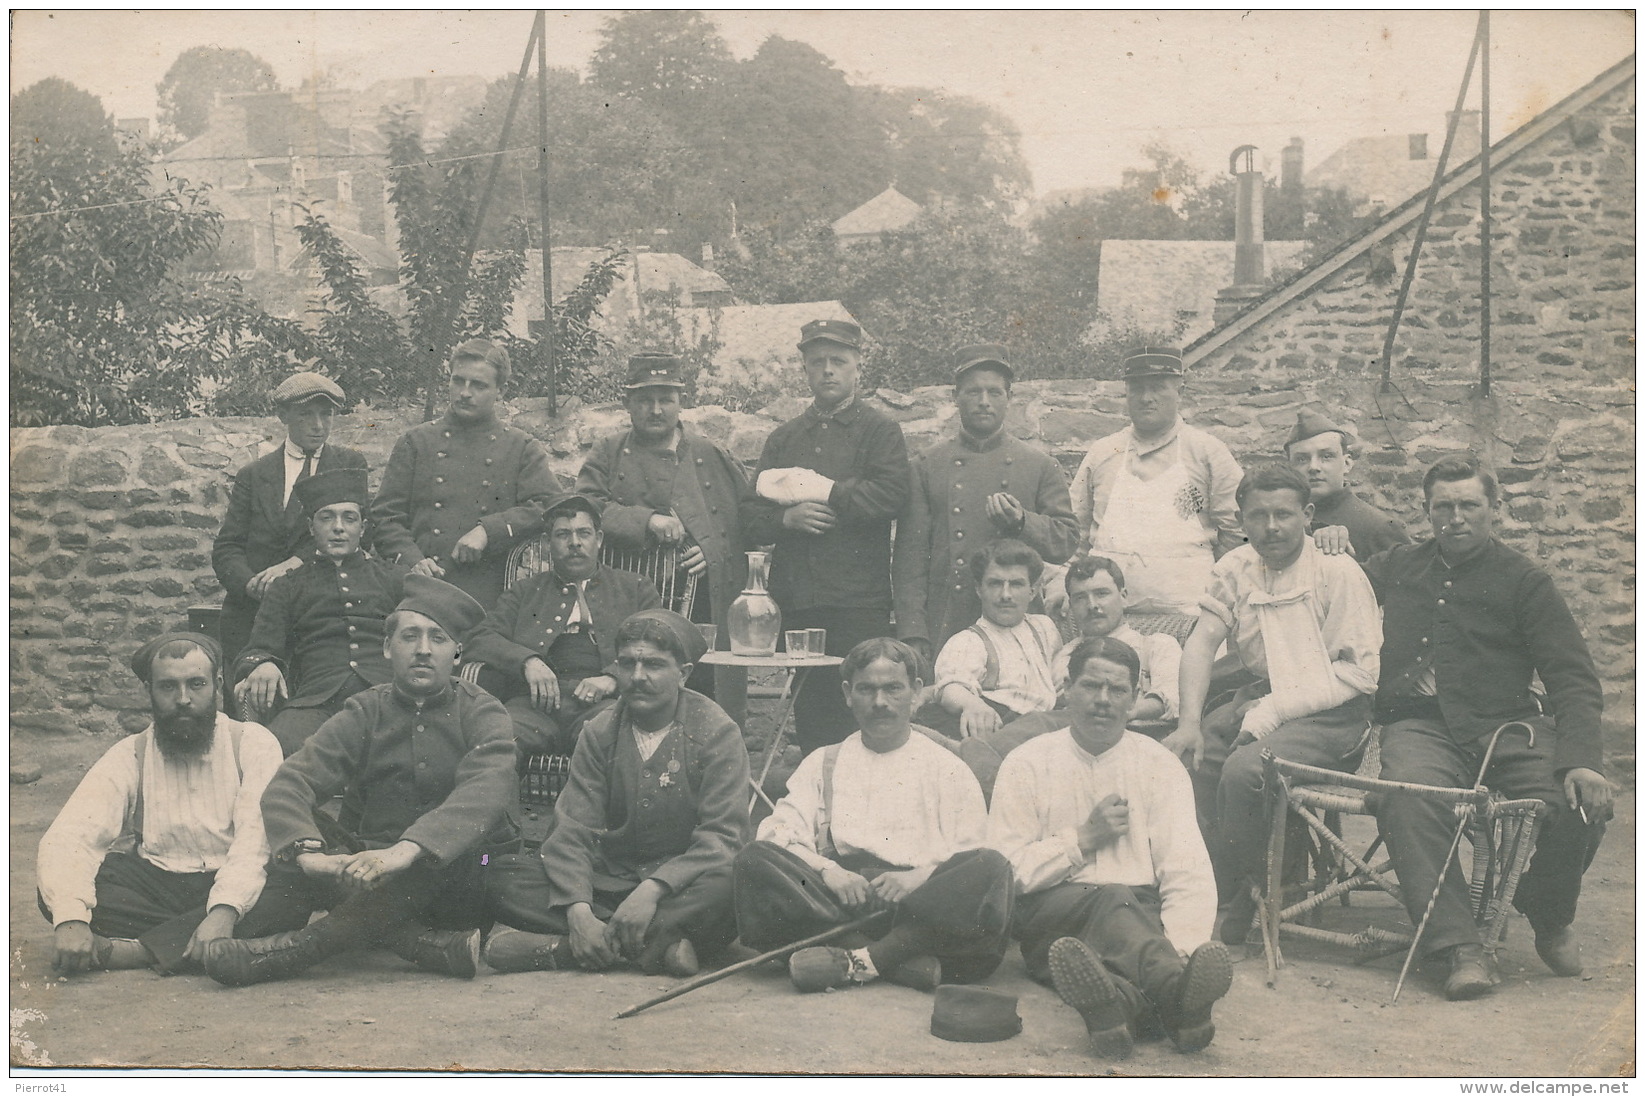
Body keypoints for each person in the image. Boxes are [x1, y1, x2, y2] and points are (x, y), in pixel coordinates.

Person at [1363, 454, 1611, 1000]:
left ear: (1493, 508)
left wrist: (1582, 758)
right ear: (1427, 512)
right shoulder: (1400, 565)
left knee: (1583, 801)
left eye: (1469, 505)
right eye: (1442, 507)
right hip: (1421, 725)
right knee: (1406, 796)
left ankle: (1547, 910)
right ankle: (1458, 946)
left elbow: (1572, 676)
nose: (1455, 517)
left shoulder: (1526, 580)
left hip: (1509, 725)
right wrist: (1330, 535)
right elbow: (1326, 578)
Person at [204, 575, 519, 986]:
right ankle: (426, 946)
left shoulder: (483, 712)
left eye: (438, 639)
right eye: (410, 636)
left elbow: (486, 790)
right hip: (373, 876)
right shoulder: (365, 710)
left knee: (457, 851)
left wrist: (405, 852)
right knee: (303, 837)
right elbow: (291, 782)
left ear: (457, 653)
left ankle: (296, 951)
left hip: (460, 881)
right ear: (387, 648)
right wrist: (310, 856)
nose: (423, 650)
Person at [1163, 463, 1381, 942]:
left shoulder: (1336, 570)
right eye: (1258, 516)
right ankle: (1220, 877)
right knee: (1187, 756)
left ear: (1307, 516)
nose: (1272, 527)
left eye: (1283, 515)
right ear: (1241, 520)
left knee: (1245, 771)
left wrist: (1273, 712)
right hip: (1263, 694)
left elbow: (1361, 674)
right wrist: (1189, 722)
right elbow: (1201, 644)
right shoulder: (1235, 568)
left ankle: (1261, 888)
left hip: (1334, 711)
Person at [988, 636, 1230, 1060]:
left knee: (1116, 931)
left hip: (1131, 922)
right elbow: (1003, 874)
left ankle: (1117, 1010)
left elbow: (1186, 869)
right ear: (1067, 689)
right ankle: (1178, 997)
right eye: (1090, 686)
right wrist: (1080, 841)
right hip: (1052, 915)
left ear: (1135, 699)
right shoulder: (1027, 762)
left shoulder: (1159, 765)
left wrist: (1182, 946)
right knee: (1113, 896)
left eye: (1117, 690)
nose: (1103, 700)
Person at [733, 638, 1015, 994]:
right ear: (848, 694)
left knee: (992, 866)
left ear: (914, 692)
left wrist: (918, 878)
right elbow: (778, 833)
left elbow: (973, 855)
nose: (880, 703)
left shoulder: (947, 768)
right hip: (841, 898)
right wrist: (829, 871)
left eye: (893, 689)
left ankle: (860, 959)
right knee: (754, 859)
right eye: (866, 690)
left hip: (921, 904)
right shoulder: (825, 761)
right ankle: (895, 960)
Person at [483, 609, 749, 977]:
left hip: (681, 885)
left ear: (684, 674)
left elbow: (722, 837)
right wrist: (578, 910)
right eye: (627, 664)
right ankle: (659, 946)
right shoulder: (600, 730)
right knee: (501, 874)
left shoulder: (717, 732)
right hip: (606, 881)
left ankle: (567, 951)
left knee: (733, 884)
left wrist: (652, 890)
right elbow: (572, 829)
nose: (638, 677)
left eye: (654, 665)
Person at [37, 634, 305, 975]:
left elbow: (255, 843)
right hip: (158, 884)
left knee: (294, 886)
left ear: (217, 684)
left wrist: (223, 911)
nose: (183, 699)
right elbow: (71, 837)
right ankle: (206, 943)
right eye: (168, 687)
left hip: (234, 876)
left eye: (196, 684)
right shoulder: (130, 754)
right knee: (60, 895)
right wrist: (72, 921)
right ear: (149, 689)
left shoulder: (253, 743)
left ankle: (140, 953)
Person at [740, 319, 911, 754]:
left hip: (858, 601)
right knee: (813, 714)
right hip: (800, 602)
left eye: (839, 361)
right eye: (818, 362)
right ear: (805, 370)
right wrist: (786, 521)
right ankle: (821, 811)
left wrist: (831, 492)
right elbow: (750, 514)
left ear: (857, 367)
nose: (828, 371)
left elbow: (890, 498)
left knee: (867, 708)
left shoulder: (879, 431)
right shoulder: (784, 437)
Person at [575, 352, 749, 719]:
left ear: (680, 402)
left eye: (665, 400)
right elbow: (584, 509)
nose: (656, 410)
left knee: (701, 700)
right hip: (631, 595)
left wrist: (714, 551)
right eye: (645, 400)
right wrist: (645, 520)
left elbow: (746, 521)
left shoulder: (708, 454)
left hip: (699, 599)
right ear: (627, 403)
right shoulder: (608, 451)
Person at [895, 343, 1076, 661]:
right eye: (973, 392)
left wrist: (1022, 522)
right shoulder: (927, 464)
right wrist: (913, 630)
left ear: (1010, 398)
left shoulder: (1039, 465)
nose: (983, 402)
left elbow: (1065, 542)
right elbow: (909, 559)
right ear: (954, 397)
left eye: (994, 393)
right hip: (948, 618)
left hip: (1018, 618)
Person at [957, 555, 1185, 798]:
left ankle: (971, 761)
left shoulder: (1155, 644)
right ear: (1072, 606)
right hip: (1068, 742)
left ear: (1124, 595)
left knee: (1043, 721)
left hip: (1129, 731)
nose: (1092, 605)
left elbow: (1170, 698)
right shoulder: (1065, 653)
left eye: (1101, 594)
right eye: (1080, 598)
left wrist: (1125, 709)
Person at [463, 494, 662, 757]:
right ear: (547, 543)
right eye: (563, 535)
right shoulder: (525, 591)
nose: (575, 543)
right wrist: (527, 662)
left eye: (584, 533)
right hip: (532, 707)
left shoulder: (635, 588)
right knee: (496, 742)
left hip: (603, 705)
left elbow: (661, 643)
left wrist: (613, 678)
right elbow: (480, 638)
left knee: (610, 741)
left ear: (599, 539)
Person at [372, 338, 560, 609]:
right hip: (422, 587)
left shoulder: (520, 447)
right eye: (458, 381)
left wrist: (488, 531)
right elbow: (385, 517)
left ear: (501, 391)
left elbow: (549, 505)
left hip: (489, 592)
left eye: (479, 385)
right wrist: (413, 561)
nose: (464, 392)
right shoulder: (415, 442)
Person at [231, 468, 405, 756]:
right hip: (316, 703)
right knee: (269, 750)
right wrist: (262, 664)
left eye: (349, 518)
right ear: (311, 528)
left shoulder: (394, 579)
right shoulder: (287, 586)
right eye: (327, 517)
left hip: (387, 698)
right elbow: (260, 647)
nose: (338, 527)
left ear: (362, 528)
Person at [212, 371, 368, 688]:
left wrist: (294, 564)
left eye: (326, 414)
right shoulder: (254, 474)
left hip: (318, 608)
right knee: (246, 699)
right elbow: (227, 548)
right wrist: (251, 585)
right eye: (306, 414)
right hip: (253, 612)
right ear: (283, 415)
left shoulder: (349, 464)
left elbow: (355, 533)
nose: (318, 425)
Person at [1066, 347, 1242, 615]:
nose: (1146, 398)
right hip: (1108, 617)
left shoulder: (1207, 452)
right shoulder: (1103, 453)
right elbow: (1073, 534)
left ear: (1180, 393)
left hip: (1190, 612)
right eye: (1137, 389)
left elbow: (1237, 534)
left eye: (1158, 387)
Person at [922, 540, 1063, 740]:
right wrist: (973, 704)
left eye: (1016, 584)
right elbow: (951, 687)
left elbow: (1060, 677)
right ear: (979, 589)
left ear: (1032, 591)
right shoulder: (969, 641)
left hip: (1045, 726)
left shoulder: (1044, 628)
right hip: (1001, 726)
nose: (1005, 595)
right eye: (995, 583)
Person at [1283, 410, 1408, 561]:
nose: (1313, 467)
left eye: (1326, 456)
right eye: (1302, 459)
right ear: (1289, 468)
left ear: (1347, 464)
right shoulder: (1280, 521)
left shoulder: (1379, 527)